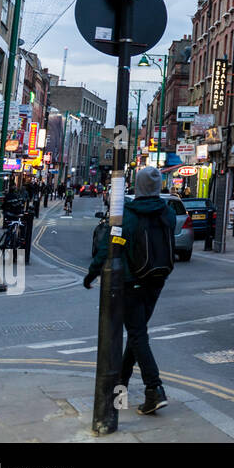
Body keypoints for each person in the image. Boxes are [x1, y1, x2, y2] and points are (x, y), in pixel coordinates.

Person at [84, 167, 176, 415]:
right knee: (138, 334)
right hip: (157, 280)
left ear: (138, 186)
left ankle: (154, 389)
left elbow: (108, 247)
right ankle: (120, 386)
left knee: (137, 335)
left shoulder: (128, 215)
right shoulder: (168, 213)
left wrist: (92, 274)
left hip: (132, 281)